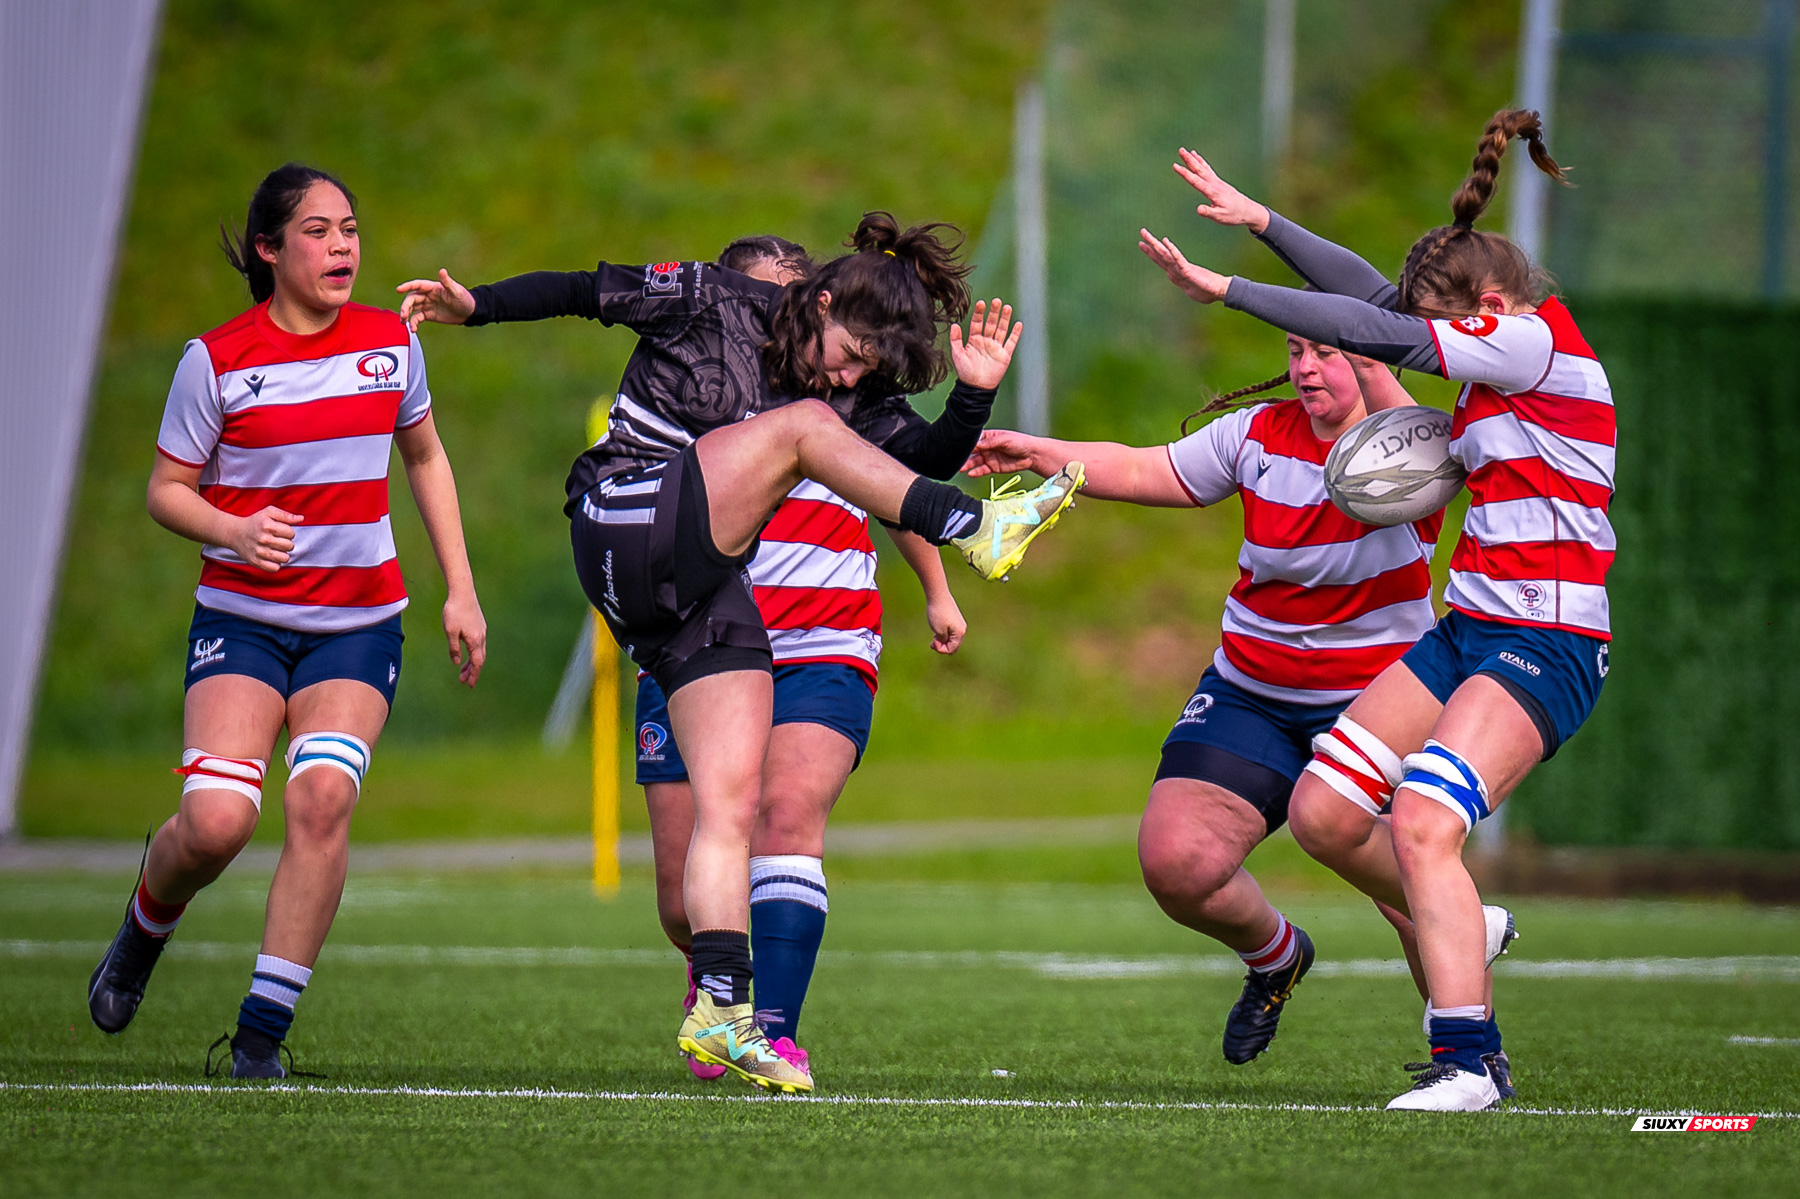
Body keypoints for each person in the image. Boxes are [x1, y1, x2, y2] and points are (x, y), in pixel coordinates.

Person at [398, 213, 1076, 1092]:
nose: (851, 374)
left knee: (731, 801)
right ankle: (979, 528)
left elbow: (920, 454)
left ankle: (723, 1009)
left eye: (869, 368)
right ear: (816, 300)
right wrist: (475, 306)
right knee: (802, 429)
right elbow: (584, 291)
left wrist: (974, 399)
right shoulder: (712, 299)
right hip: (620, 517)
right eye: (851, 351)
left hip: (690, 593)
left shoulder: (845, 388)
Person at [1140, 110, 1610, 1111]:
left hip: (1548, 637)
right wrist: (1263, 218)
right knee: (1321, 811)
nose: (1430, 343)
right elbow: (1365, 293)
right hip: (1469, 629)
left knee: (1427, 818)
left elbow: (1371, 326)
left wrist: (1224, 287)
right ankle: (1466, 930)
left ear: (1490, 305)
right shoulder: (1495, 343)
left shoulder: (1531, 343)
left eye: (1442, 325)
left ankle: (1470, 1060)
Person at [967, 334, 1515, 1067]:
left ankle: (1473, 1058)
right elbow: (1141, 466)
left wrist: (1378, 360)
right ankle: (1277, 958)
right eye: (1295, 350)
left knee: (1413, 890)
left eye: (1326, 352)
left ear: (1366, 361)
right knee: (1177, 861)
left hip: (1379, 697)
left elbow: (1415, 423)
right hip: (1251, 692)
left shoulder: (1406, 444)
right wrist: (1041, 451)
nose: (1305, 368)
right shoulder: (1255, 434)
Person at [87, 164, 487, 1080]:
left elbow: (424, 457)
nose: (342, 245)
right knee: (219, 822)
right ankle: (148, 920)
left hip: (358, 624)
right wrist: (232, 527)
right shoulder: (216, 359)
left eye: (350, 227)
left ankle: (261, 1035)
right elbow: (164, 492)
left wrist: (459, 589)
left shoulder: (392, 343)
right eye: (318, 231)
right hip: (244, 621)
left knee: (322, 798)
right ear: (269, 250)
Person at [641, 236, 972, 1087]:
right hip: (697, 637)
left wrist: (936, 586)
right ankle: (714, 965)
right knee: (683, 898)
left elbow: (894, 484)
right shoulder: (693, 374)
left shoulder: (845, 389)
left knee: (787, 813)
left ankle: (771, 1032)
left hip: (825, 633)